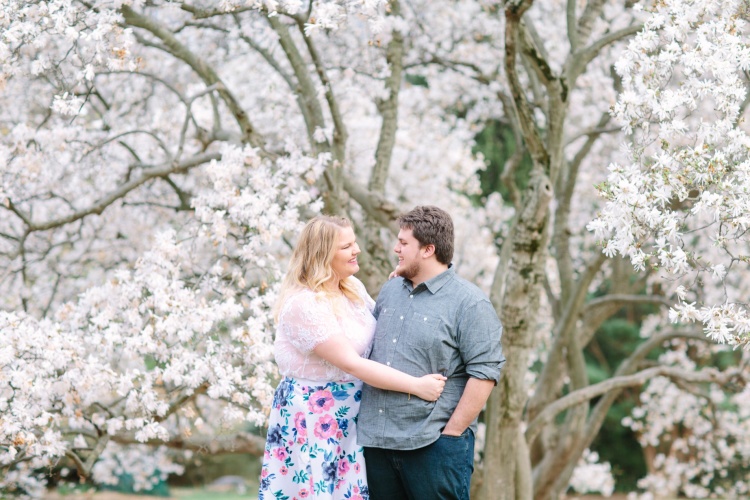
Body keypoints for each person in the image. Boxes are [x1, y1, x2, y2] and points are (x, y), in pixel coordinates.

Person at [258, 215, 447, 500]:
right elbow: (352, 363)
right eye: (346, 246)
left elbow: (383, 328)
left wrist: (402, 286)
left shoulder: (352, 288)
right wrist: (416, 386)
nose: (356, 249)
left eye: (354, 241)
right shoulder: (305, 304)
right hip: (313, 417)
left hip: (352, 414)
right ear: (323, 255)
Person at [358, 205, 505, 500]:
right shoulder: (390, 290)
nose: (395, 248)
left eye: (403, 243)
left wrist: (452, 433)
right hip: (377, 444)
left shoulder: (470, 303)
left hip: (433, 446)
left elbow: (485, 373)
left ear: (428, 249)